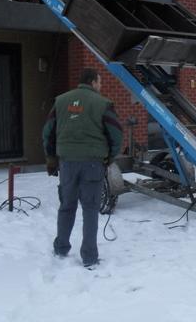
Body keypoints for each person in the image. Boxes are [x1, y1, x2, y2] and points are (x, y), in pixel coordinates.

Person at [42, 68, 123, 268]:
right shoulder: (103, 104)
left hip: (67, 163)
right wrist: (109, 157)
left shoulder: (60, 101)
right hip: (93, 163)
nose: (101, 86)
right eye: (100, 82)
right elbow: (116, 134)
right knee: (90, 209)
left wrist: (51, 158)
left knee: (67, 205)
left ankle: (61, 247)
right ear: (93, 82)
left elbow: (48, 132)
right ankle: (89, 256)